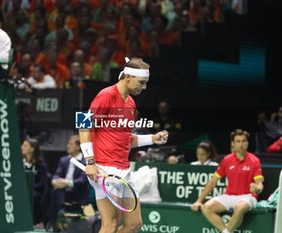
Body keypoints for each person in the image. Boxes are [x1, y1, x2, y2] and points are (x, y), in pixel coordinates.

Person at [79, 57, 169, 233]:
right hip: (105, 169)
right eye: (141, 83)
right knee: (110, 225)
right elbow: (83, 125)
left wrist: (152, 138)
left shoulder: (131, 103)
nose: (144, 88)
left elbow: (125, 139)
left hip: (124, 171)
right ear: (127, 76)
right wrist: (90, 162)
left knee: (134, 224)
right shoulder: (106, 95)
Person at [191, 129, 264, 233]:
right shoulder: (227, 160)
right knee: (206, 207)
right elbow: (212, 182)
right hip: (228, 196)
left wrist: (256, 189)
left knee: (239, 208)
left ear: (247, 143)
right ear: (233, 143)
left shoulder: (254, 160)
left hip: (247, 197)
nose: (241, 144)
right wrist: (198, 201)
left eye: (244, 141)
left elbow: (260, 183)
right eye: (238, 141)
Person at [46, 135, 89, 231]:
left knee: (56, 192)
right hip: (62, 190)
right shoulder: (63, 160)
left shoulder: (85, 161)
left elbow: (83, 180)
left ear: (78, 147)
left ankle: (54, 220)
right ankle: (55, 217)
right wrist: (54, 181)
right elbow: (57, 174)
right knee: (54, 191)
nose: (67, 146)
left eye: (70, 144)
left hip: (77, 192)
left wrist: (67, 183)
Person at [22, 138, 48, 228]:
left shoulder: (41, 165)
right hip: (20, 191)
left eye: (25, 146)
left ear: (32, 149)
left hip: (35, 191)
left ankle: (35, 222)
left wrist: (28, 188)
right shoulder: (19, 163)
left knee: (33, 197)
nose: (22, 147)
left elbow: (42, 183)